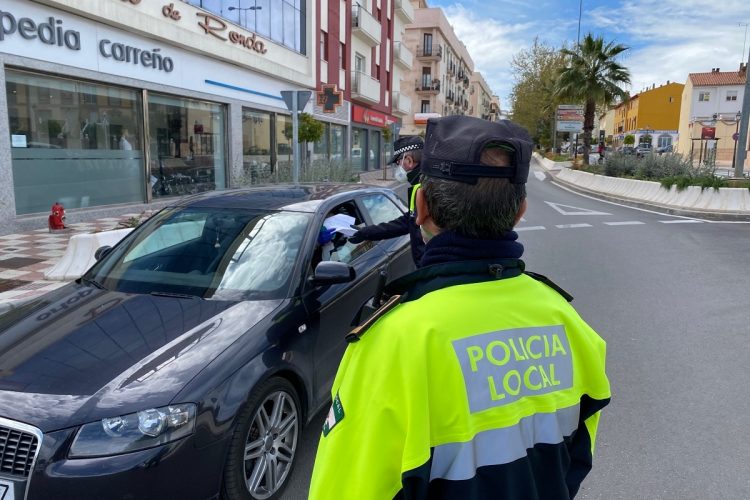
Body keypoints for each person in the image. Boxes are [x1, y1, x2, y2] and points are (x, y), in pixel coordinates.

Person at [309, 115, 610, 499]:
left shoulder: (393, 341)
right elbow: (574, 459)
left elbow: (346, 488)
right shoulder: (569, 323)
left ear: (421, 207)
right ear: (520, 212)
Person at [348, 136, 425, 266]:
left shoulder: (425, 188)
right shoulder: (420, 184)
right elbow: (408, 222)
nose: (397, 167)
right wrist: (366, 232)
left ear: (409, 160)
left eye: (398, 163)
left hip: (433, 266)